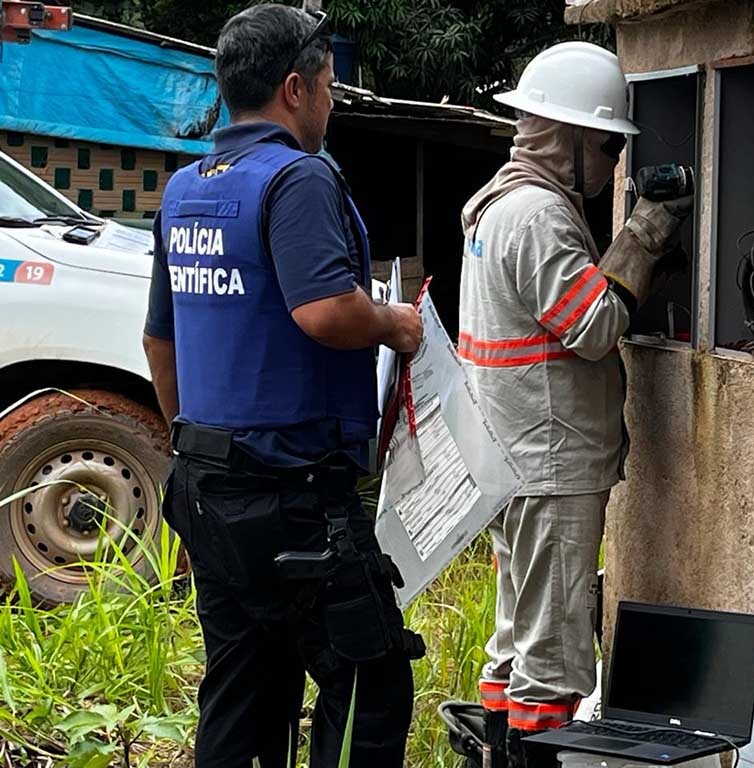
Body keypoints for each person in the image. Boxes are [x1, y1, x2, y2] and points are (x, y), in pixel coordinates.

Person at [141, 5, 425, 766]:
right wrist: (396, 323)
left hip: (207, 486)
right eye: (330, 87)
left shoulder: (187, 189)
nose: (332, 105)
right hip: (295, 495)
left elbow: (158, 342)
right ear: (295, 89)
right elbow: (327, 311)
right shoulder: (298, 178)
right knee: (369, 683)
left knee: (245, 687)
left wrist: (192, 446)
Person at [458, 42, 692, 768]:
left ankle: (496, 754)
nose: (613, 164)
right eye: (606, 147)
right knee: (553, 665)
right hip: (550, 463)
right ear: (573, 139)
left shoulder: (500, 201)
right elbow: (591, 326)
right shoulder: (539, 216)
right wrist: (645, 235)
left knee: (516, 645)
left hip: (510, 458)